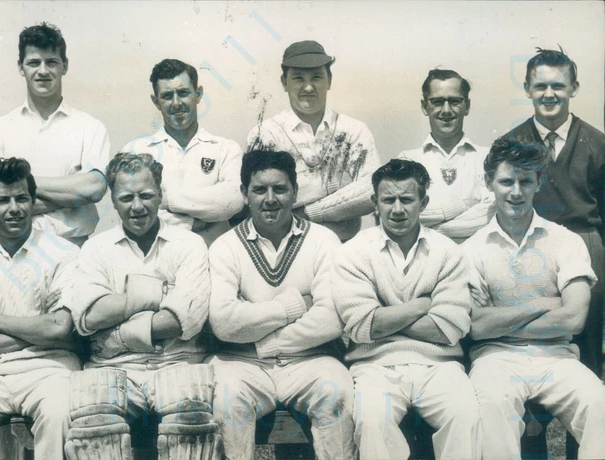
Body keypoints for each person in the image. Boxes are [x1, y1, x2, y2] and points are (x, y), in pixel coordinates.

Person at [67, 152, 220, 459]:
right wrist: (157, 294)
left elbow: (182, 321)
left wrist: (116, 334)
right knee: (94, 431)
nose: (137, 206)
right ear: (112, 199)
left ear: (160, 194)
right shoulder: (96, 248)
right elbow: (89, 316)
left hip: (179, 362)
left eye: (146, 195)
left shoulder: (188, 243)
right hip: (112, 366)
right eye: (126, 197)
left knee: (191, 430)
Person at [207, 150, 356, 460]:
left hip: (309, 359)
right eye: (260, 189)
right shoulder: (225, 246)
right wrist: (292, 306)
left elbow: (331, 318)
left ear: (295, 192)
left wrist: (261, 338)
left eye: (280, 188)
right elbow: (223, 321)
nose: (270, 198)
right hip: (241, 363)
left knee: (336, 393)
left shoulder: (323, 240)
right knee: (227, 399)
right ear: (244, 194)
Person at [463, 139, 605, 460]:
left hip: (558, 356)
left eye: (526, 181)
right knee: (491, 405)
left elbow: (573, 319)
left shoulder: (564, 241)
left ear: (538, 182)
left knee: (598, 403)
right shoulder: (471, 250)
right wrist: (544, 304)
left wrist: (503, 319)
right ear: (489, 183)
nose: (516, 191)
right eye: (506, 181)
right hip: (495, 359)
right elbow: (478, 327)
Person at [333, 159, 481, 460]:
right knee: (372, 421)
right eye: (388, 200)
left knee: (465, 417)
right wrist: (423, 305)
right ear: (375, 202)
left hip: (439, 365)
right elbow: (362, 328)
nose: (397, 209)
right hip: (376, 366)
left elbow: (449, 328)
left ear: (423, 202)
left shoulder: (447, 252)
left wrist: (384, 314)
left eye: (407, 199)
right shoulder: (353, 252)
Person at [0, 157, 81, 460]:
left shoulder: (64, 252)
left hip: (50, 369)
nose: (14, 208)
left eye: (22, 198)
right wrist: (39, 330)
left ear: (33, 201)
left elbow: (60, 327)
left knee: (58, 413)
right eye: (3, 200)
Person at [500, 48, 604, 379]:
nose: (549, 94)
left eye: (558, 86)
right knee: (531, 336)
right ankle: (533, 429)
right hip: (530, 245)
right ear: (528, 89)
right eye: (540, 86)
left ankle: (581, 429)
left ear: (573, 88)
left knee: (586, 337)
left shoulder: (596, 143)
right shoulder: (510, 143)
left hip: (585, 245)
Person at [0, 23, 110, 247]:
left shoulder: (89, 127)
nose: (43, 71)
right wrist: (72, 198)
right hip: (14, 249)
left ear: (64, 66)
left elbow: (93, 188)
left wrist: (17, 190)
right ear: (21, 67)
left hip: (74, 248)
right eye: (34, 62)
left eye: (51, 62)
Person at [247, 40, 381, 242]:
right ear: (284, 82)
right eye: (298, 78)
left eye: (317, 77)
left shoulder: (353, 130)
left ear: (329, 80)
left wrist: (307, 212)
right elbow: (261, 199)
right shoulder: (265, 133)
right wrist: (342, 192)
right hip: (286, 246)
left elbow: (373, 189)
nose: (308, 87)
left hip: (344, 247)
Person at [121, 59, 244, 246]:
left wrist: (167, 199)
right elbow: (135, 212)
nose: (176, 103)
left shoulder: (225, 148)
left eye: (183, 93)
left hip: (213, 257)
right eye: (167, 96)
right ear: (156, 101)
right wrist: (196, 221)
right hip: (157, 258)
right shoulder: (136, 151)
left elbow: (232, 200)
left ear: (198, 94)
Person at [399, 69, 494, 243]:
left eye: (455, 101)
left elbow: (492, 213)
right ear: (424, 106)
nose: (446, 110)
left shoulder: (487, 158)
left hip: (475, 261)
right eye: (437, 102)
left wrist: (430, 228)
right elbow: (402, 214)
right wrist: (466, 205)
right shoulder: (407, 160)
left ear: (467, 106)